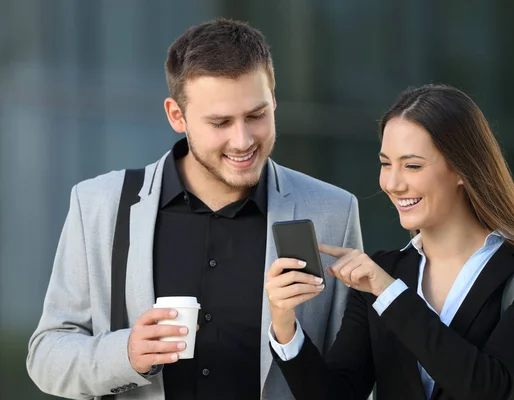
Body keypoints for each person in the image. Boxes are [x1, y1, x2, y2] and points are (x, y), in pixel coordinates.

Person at [26, 18, 362, 400]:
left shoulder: (333, 211)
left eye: (257, 115)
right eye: (220, 122)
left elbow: (350, 377)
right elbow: (46, 355)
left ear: (273, 100)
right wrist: (127, 355)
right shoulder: (99, 205)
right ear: (176, 116)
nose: (243, 140)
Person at [266, 84, 514, 400]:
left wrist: (390, 293)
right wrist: (284, 323)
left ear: (463, 169)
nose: (392, 183)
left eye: (412, 166)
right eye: (385, 163)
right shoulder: (382, 273)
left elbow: (491, 387)